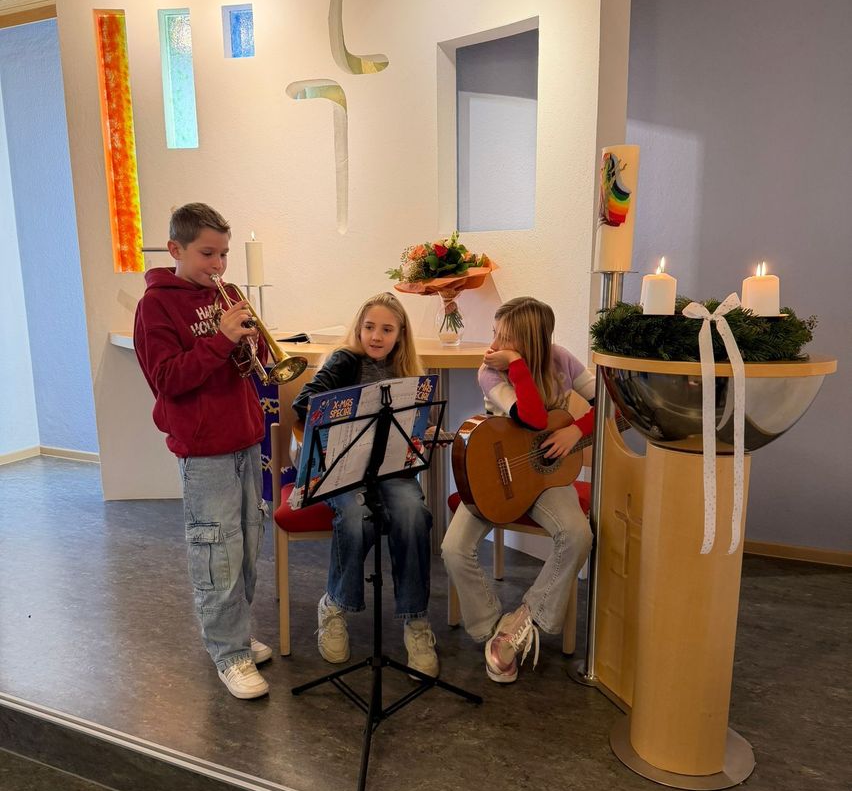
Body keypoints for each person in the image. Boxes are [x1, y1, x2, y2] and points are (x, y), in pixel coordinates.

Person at [133, 203, 273, 700]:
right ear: (175, 249)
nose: (218, 265)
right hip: (204, 448)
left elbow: (240, 367)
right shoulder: (156, 306)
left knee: (250, 544)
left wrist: (247, 345)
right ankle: (228, 653)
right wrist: (220, 340)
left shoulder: (228, 295)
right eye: (207, 253)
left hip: (244, 436)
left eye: (224, 254)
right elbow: (167, 379)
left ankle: (234, 635)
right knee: (217, 551)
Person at [442, 297, 596, 683]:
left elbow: (611, 400)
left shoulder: (561, 359)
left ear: (532, 341)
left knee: (578, 535)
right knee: (453, 548)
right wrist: (514, 364)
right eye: (495, 332)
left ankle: (523, 621)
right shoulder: (491, 372)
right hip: (495, 475)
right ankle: (494, 627)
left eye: (505, 337)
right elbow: (532, 418)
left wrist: (577, 428)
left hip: (546, 477)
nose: (493, 343)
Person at [292, 292, 439, 677]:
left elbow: (414, 431)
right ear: (358, 329)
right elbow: (305, 402)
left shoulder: (409, 372)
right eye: (369, 327)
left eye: (387, 329)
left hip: (392, 470)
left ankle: (416, 620)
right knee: (356, 515)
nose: (376, 336)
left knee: (412, 514)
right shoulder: (345, 360)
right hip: (344, 469)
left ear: (400, 333)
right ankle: (335, 605)